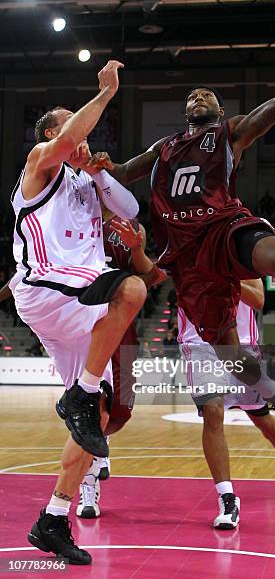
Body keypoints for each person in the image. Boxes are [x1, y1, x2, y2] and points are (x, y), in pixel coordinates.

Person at [86, 22, 275, 439]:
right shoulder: (164, 148)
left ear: (217, 108)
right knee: (232, 356)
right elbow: (123, 173)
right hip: (187, 254)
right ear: (185, 112)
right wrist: (104, 166)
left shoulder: (231, 132)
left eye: (206, 94)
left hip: (225, 227)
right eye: (192, 95)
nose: (198, 96)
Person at [9, 61, 148, 565]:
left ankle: (53, 518)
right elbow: (69, 139)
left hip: (76, 306)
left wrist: (101, 176)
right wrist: (106, 95)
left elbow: (130, 212)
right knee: (130, 290)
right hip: (48, 288)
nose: (84, 136)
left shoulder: (87, 184)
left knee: (100, 418)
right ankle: (81, 396)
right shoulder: (39, 167)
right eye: (72, 126)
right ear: (52, 133)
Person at [178, 279, 275, 529]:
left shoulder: (239, 252)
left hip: (242, 347)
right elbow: (153, 273)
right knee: (212, 411)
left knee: (261, 418)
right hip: (200, 346)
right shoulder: (184, 251)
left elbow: (258, 299)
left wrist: (223, 276)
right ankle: (227, 498)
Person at [76, 213, 166, 518]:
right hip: (81, 317)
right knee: (89, 406)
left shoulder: (129, 224)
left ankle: (101, 441)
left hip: (121, 320)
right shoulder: (70, 217)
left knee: (123, 408)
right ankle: (87, 486)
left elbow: (150, 277)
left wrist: (138, 251)